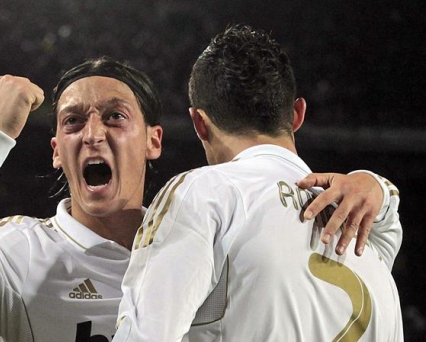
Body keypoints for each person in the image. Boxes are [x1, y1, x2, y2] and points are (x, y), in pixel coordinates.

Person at [0, 57, 397, 342]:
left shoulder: (205, 234)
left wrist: (374, 186)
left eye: (115, 117)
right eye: (73, 121)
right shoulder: (18, 252)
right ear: (56, 151)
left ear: (154, 141)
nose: (92, 133)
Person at [114, 25, 403, 341]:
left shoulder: (205, 193)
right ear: (297, 115)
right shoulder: (362, 229)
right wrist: (376, 184)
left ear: (199, 123)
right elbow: (389, 216)